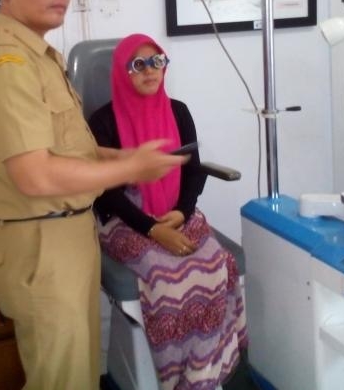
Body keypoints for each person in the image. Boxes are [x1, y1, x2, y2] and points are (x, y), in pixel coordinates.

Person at [0, 0, 186, 390]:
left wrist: (120, 156)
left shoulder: (40, 58)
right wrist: (132, 169)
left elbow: (67, 147)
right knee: (62, 380)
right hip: (40, 241)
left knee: (78, 372)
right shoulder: (6, 63)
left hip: (67, 233)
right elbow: (35, 174)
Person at [88, 33, 247, 390]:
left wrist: (181, 214)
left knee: (216, 266)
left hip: (177, 211)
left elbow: (192, 169)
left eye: (156, 61)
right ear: (122, 72)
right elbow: (107, 194)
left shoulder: (178, 111)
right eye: (138, 64)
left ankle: (204, 373)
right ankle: (176, 377)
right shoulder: (102, 122)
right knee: (168, 281)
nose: (150, 70)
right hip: (125, 219)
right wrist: (153, 229)